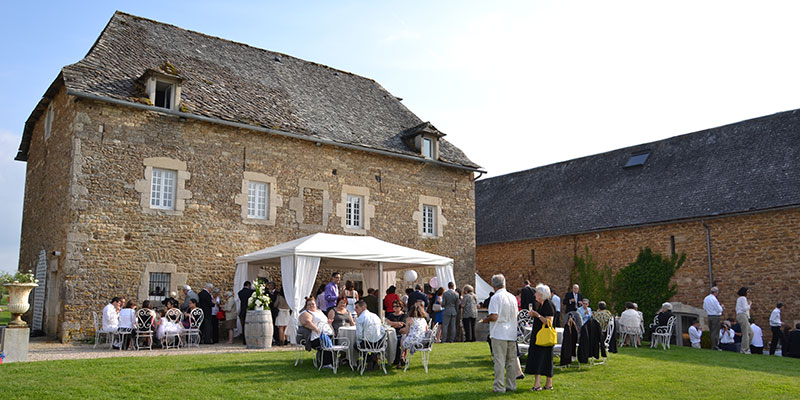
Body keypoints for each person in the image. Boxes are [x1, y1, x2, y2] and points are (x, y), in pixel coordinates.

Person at [480, 274, 518, 393]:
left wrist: (486, 319)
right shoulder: (512, 297)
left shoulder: (496, 298)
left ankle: (499, 387)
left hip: (499, 332)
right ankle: (512, 385)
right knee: (511, 361)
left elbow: (495, 316)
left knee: (499, 361)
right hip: (511, 332)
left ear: (493, 285)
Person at [525, 283, 556, 392]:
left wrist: (537, 315)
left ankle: (540, 384)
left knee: (542, 359)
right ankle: (546, 384)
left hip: (543, 337)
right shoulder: (542, 305)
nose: (535, 295)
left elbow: (549, 322)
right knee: (542, 359)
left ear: (542, 294)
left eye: (537, 293)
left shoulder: (548, 304)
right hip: (540, 336)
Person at [298, 297, 335, 367]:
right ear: (306, 306)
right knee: (325, 342)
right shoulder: (306, 313)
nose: (311, 305)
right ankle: (326, 363)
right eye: (309, 304)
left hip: (328, 333)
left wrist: (329, 323)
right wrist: (318, 330)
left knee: (337, 341)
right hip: (316, 336)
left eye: (313, 304)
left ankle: (337, 360)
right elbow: (306, 322)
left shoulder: (319, 311)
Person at [355, 299, 385, 370]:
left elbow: (359, 335)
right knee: (372, 342)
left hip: (367, 344)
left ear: (363, 308)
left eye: (357, 307)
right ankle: (373, 358)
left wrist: (363, 339)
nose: (355, 310)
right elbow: (383, 331)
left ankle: (369, 359)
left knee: (356, 345)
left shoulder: (360, 319)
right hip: (379, 343)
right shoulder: (375, 316)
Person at [400, 302, 430, 367]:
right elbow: (427, 330)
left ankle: (402, 356)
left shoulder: (409, 319)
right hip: (421, 341)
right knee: (405, 338)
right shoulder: (423, 320)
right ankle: (403, 358)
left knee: (403, 337)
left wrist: (402, 330)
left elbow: (407, 332)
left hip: (413, 342)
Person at [385, 299, 407, 366]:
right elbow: (386, 322)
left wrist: (391, 324)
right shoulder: (391, 315)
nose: (395, 308)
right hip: (391, 334)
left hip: (401, 334)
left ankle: (400, 359)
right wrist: (396, 324)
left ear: (401, 307)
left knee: (398, 342)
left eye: (397, 306)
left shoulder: (404, 315)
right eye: (394, 306)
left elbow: (401, 324)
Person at [736, 287, 753, 354]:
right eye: (747, 292)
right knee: (745, 333)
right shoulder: (743, 298)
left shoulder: (741, 299)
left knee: (751, 333)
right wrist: (749, 305)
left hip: (744, 316)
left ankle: (746, 347)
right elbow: (744, 308)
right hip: (742, 315)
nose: (748, 294)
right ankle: (744, 350)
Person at [238, 281, 255, 345]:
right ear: (248, 285)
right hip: (249, 311)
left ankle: (244, 340)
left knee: (243, 326)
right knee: (250, 326)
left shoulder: (240, 293)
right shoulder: (251, 292)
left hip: (242, 311)